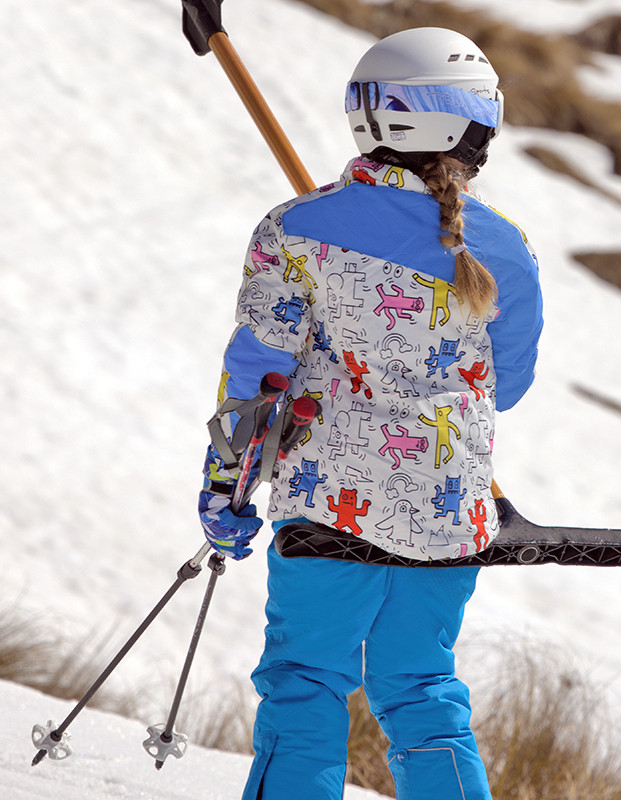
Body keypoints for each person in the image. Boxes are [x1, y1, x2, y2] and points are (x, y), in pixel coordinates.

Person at [198, 26, 543, 800]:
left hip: (328, 508)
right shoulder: (506, 248)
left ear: (372, 115)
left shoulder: (297, 228)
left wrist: (227, 488)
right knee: (422, 690)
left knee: (305, 684)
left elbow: (258, 380)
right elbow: (507, 386)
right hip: (449, 515)